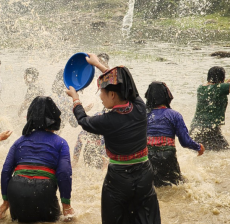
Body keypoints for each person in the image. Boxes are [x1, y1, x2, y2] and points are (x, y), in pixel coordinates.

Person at [67, 53, 161, 224]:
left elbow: (83, 120)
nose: (100, 97)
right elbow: (126, 83)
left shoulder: (107, 120)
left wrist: (75, 99)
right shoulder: (139, 107)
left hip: (118, 178)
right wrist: (98, 65)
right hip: (144, 173)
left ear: (112, 95)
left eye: (101, 92)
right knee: (146, 216)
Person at [0, 96, 74, 222]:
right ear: (54, 118)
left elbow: (6, 171)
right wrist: (66, 204)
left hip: (15, 190)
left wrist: (5, 201)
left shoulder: (19, 142)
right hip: (44, 190)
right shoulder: (60, 143)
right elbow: (64, 173)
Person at [145, 82, 205, 187]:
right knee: (176, 185)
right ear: (166, 96)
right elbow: (185, 142)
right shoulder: (174, 115)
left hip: (147, 156)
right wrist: (199, 147)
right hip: (167, 156)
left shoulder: (143, 115)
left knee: (153, 187)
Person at [190, 66, 230, 151]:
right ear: (222, 77)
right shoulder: (220, 88)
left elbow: (221, 86)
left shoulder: (201, 88)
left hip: (195, 130)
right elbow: (222, 87)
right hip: (210, 131)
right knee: (225, 154)